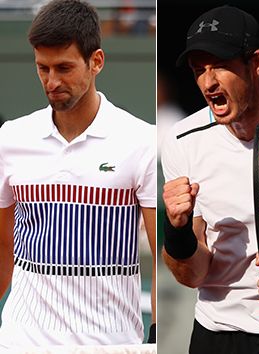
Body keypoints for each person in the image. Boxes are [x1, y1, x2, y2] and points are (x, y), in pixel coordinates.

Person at [0, 0, 156, 348]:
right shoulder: (10, 138)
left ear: (96, 61)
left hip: (112, 342)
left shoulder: (141, 140)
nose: (51, 81)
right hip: (21, 341)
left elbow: (161, 257)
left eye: (64, 67)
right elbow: (2, 244)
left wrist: (156, 336)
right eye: (43, 68)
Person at [160, 5, 259, 354]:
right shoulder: (183, 140)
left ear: (256, 63)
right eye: (200, 70)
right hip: (217, 331)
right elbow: (192, 276)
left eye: (221, 67)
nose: (208, 82)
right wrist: (178, 229)